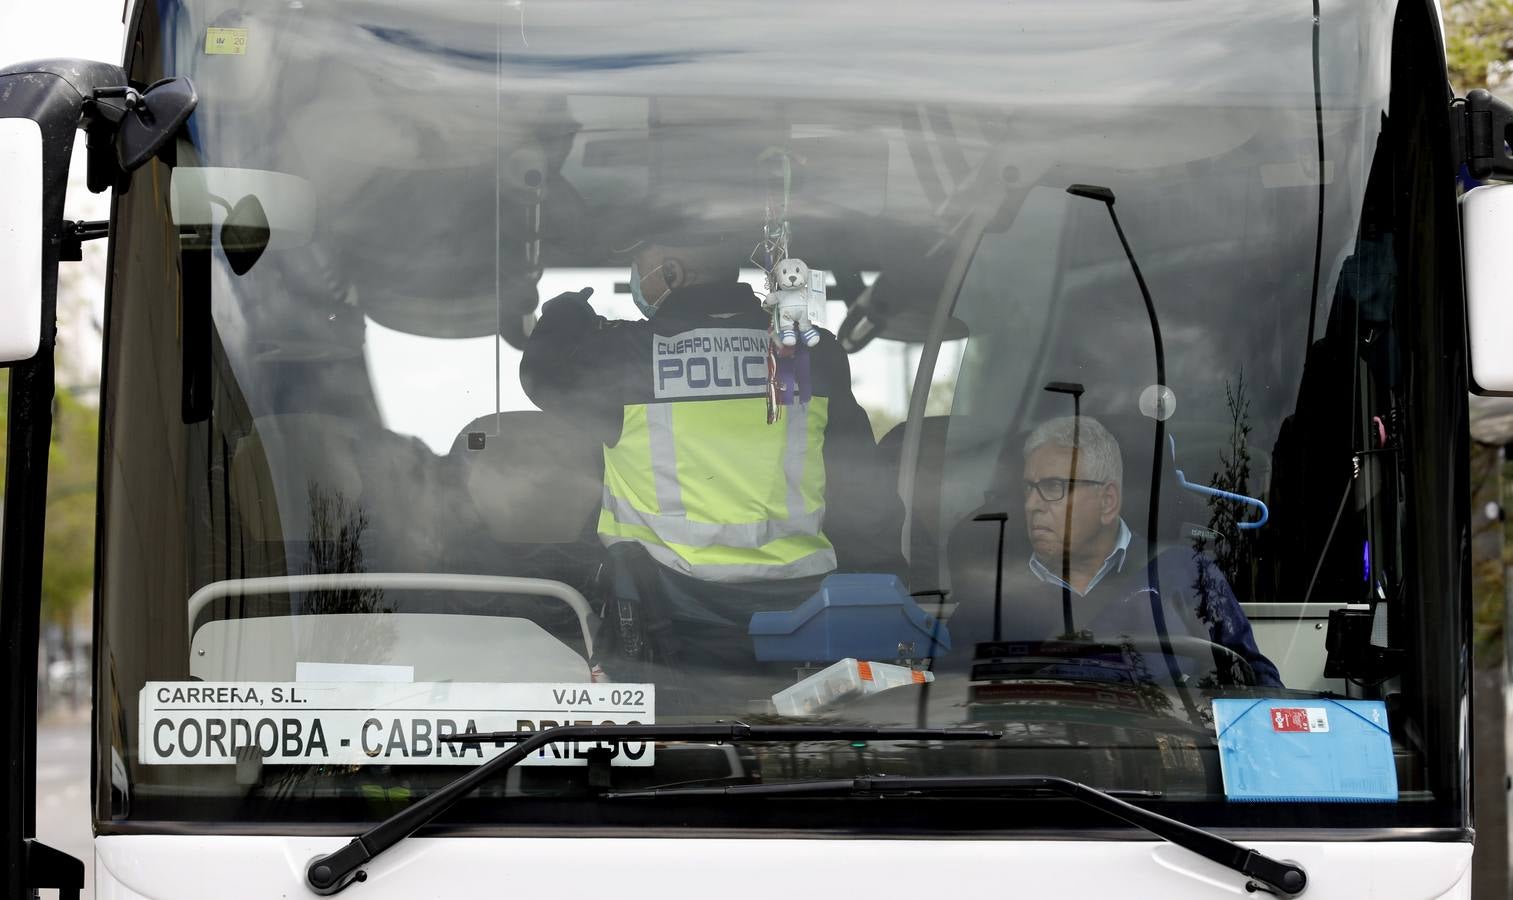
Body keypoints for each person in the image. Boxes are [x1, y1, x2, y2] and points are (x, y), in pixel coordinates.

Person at [520, 233, 904, 691]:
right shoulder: (808, 352)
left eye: (642, 263)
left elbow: (540, 373)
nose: (636, 278)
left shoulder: (623, 357)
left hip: (665, 641)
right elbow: (865, 494)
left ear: (673, 272)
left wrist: (566, 313)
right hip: (799, 633)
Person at [1012, 415, 1282, 687]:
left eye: (1053, 487)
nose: (1032, 504)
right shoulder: (1000, 592)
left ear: (1107, 501)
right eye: (1028, 488)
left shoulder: (1187, 572)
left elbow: (1254, 676)